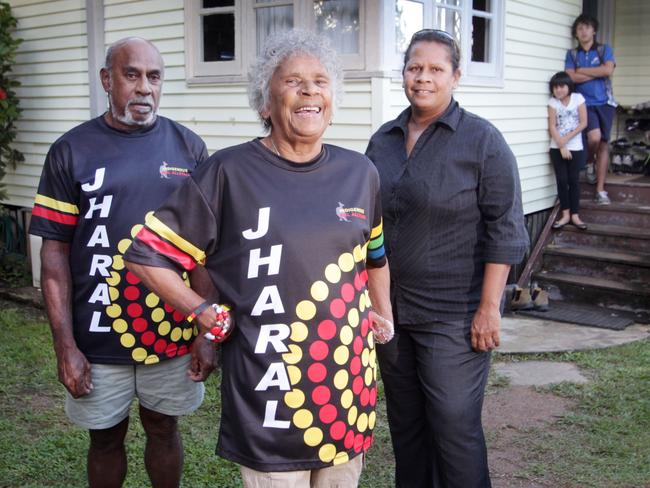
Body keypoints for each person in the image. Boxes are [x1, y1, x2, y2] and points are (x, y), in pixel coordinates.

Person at [124, 29, 393, 488]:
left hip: (345, 388)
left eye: (320, 81)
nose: (309, 91)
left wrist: (382, 313)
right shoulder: (229, 172)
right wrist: (203, 313)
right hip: (270, 395)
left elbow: (375, 255)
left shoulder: (360, 173)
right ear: (265, 103)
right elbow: (146, 255)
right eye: (292, 81)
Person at [29, 37, 212, 488]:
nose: (144, 87)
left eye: (154, 76)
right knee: (105, 440)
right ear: (107, 80)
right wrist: (64, 345)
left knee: (164, 429)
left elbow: (206, 248)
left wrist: (207, 333)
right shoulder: (71, 150)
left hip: (170, 332)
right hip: (96, 337)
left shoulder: (189, 148)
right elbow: (53, 253)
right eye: (132, 75)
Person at [365, 29, 529, 488]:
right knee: (408, 427)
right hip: (393, 313)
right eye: (415, 67)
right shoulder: (384, 140)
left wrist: (488, 308)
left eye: (436, 69)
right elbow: (365, 221)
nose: (423, 78)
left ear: (455, 76)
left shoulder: (482, 141)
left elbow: (505, 227)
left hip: (454, 315)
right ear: (403, 74)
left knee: (454, 429)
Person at [565, 13, 617, 205]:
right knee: (593, 138)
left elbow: (608, 70)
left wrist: (582, 71)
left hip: (605, 103)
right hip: (584, 105)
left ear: (593, 30)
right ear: (576, 33)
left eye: (587, 27)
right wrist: (597, 73)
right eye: (580, 28)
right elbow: (570, 77)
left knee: (603, 144)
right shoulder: (572, 54)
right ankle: (588, 163)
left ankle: (600, 190)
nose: (583, 31)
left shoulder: (604, 50)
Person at [548, 71, 589, 230]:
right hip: (557, 147)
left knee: (573, 181)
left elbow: (583, 122)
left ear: (568, 86)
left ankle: (575, 215)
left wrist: (566, 140)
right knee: (562, 180)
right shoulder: (552, 102)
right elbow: (552, 125)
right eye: (555, 87)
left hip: (575, 147)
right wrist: (561, 145)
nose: (558, 90)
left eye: (561, 86)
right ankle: (565, 215)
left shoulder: (578, 99)